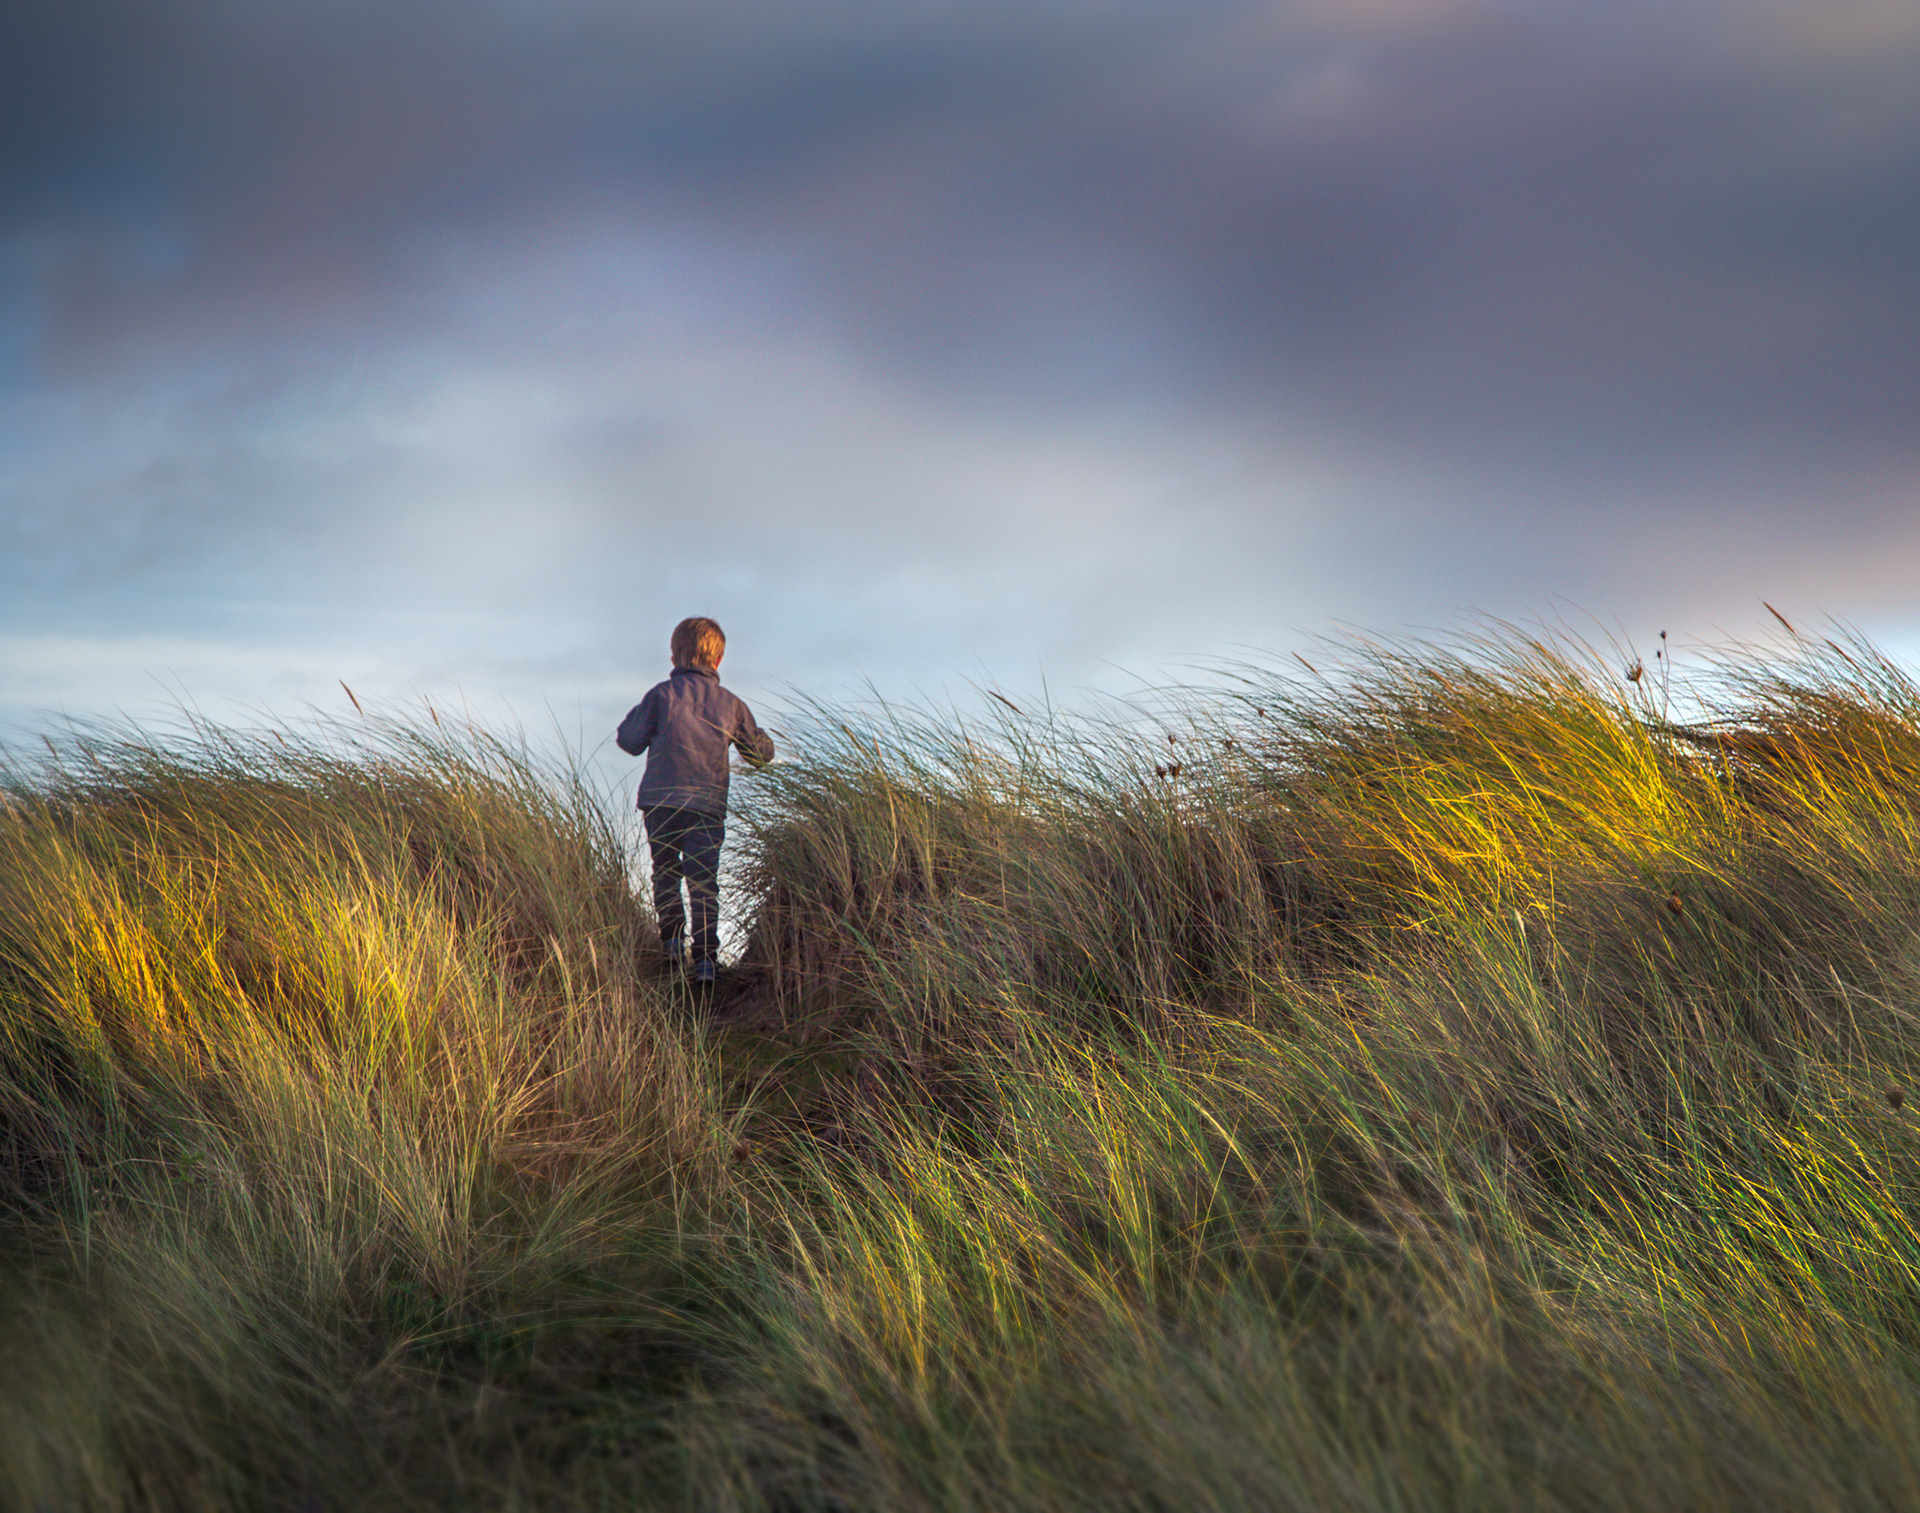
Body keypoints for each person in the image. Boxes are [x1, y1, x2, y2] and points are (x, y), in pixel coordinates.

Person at [616, 617, 775, 985]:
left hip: (660, 801)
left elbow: (629, 741)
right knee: (704, 880)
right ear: (718, 661)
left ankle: (672, 943)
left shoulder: (660, 695)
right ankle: (705, 963)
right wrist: (762, 737)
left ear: (674, 658)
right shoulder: (730, 705)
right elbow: (759, 753)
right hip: (706, 804)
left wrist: (638, 720)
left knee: (666, 872)